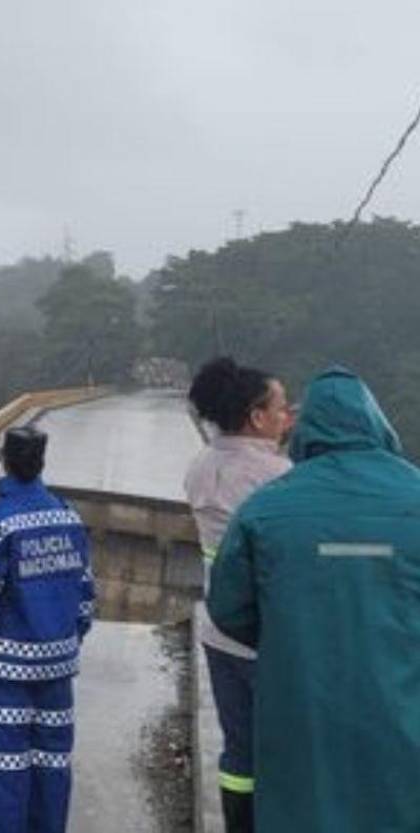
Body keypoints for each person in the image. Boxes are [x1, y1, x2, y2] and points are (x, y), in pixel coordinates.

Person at [208, 367, 420, 833]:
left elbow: (227, 608)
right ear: (377, 422)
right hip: (401, 702)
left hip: (299, 700)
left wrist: (287, 633)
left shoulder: (267, 507)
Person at [0, 426, 94, 833]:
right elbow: (85, 598)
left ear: (7, 464)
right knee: (52, 766)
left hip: (7, 671)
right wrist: (66, 642)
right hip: (58, 667)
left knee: (6, 771)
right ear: (41, 464)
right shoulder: (68, 516)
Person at [184, 356, 292, 833]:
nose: (288, 417)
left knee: (238, 749)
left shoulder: (202, 465)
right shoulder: (277, 478)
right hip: (263, 636)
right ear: (256, 417)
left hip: (218, 632)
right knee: (281, 748)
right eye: (282, 407)